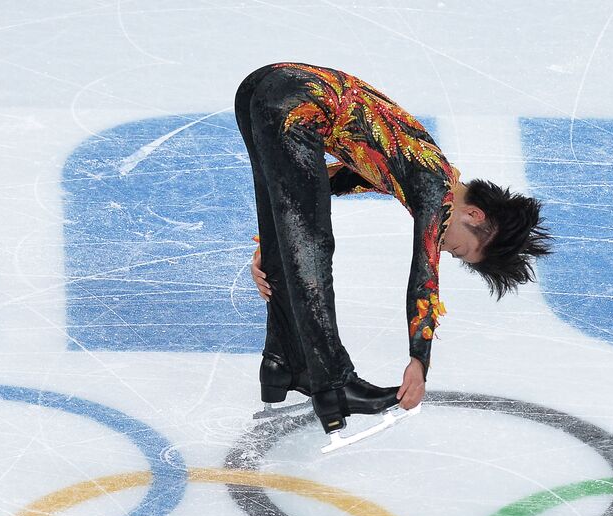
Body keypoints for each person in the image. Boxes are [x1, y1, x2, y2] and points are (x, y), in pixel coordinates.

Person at [235, 62, 552, 434]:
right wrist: (419, 362)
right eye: (460, 250)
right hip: (297, 102)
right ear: (474, 214)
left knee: (302, 235)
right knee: (315, 247)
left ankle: (281, 362)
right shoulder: (437, 191)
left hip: (263, 88)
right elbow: (424, 279)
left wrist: (275, 244)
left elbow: (316, 182)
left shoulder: (423, 170)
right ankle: (332, 383)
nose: (446, 251)